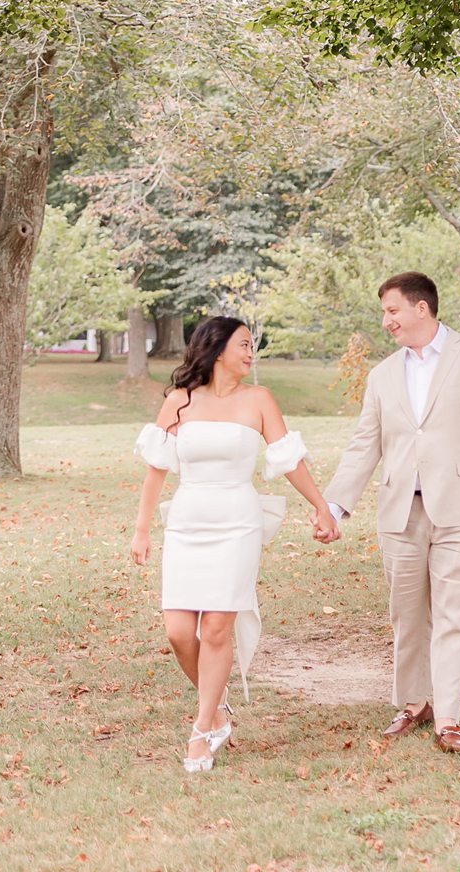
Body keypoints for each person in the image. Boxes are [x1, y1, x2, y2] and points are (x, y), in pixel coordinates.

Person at [131, 313, 337, 773]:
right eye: (243, 344)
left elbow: (289, 461)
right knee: (179, 632)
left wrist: (321, 506)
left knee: (217, 629)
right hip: (188, 522)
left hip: (237, 523)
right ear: (217, 346)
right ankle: (217, 705)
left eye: (252, 346)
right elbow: (156, 470)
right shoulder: (179, 400)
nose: (250, 353)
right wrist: (142, 529)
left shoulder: (259, 400)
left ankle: (202, 731)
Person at [324, 272, 460, 755]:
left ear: (421, 309)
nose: (386, 320)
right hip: (399, 513)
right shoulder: (383, 375)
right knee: (407, 617)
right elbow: (364, 445)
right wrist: (333, 504)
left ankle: (447, 717)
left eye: (392, 310)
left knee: (453, 617)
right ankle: (413, 704)